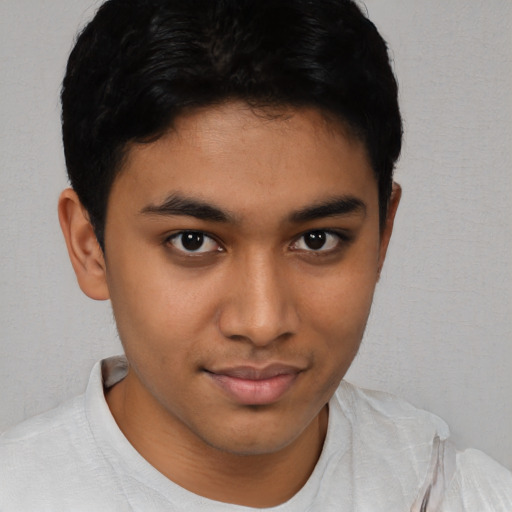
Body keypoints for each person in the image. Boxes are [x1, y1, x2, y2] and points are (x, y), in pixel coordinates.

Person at [0, 0, 511, 510]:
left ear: (382, 235)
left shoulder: (454, 496)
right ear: (90, 247)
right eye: (193, 241)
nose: (263, 322)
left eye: (318, 239)